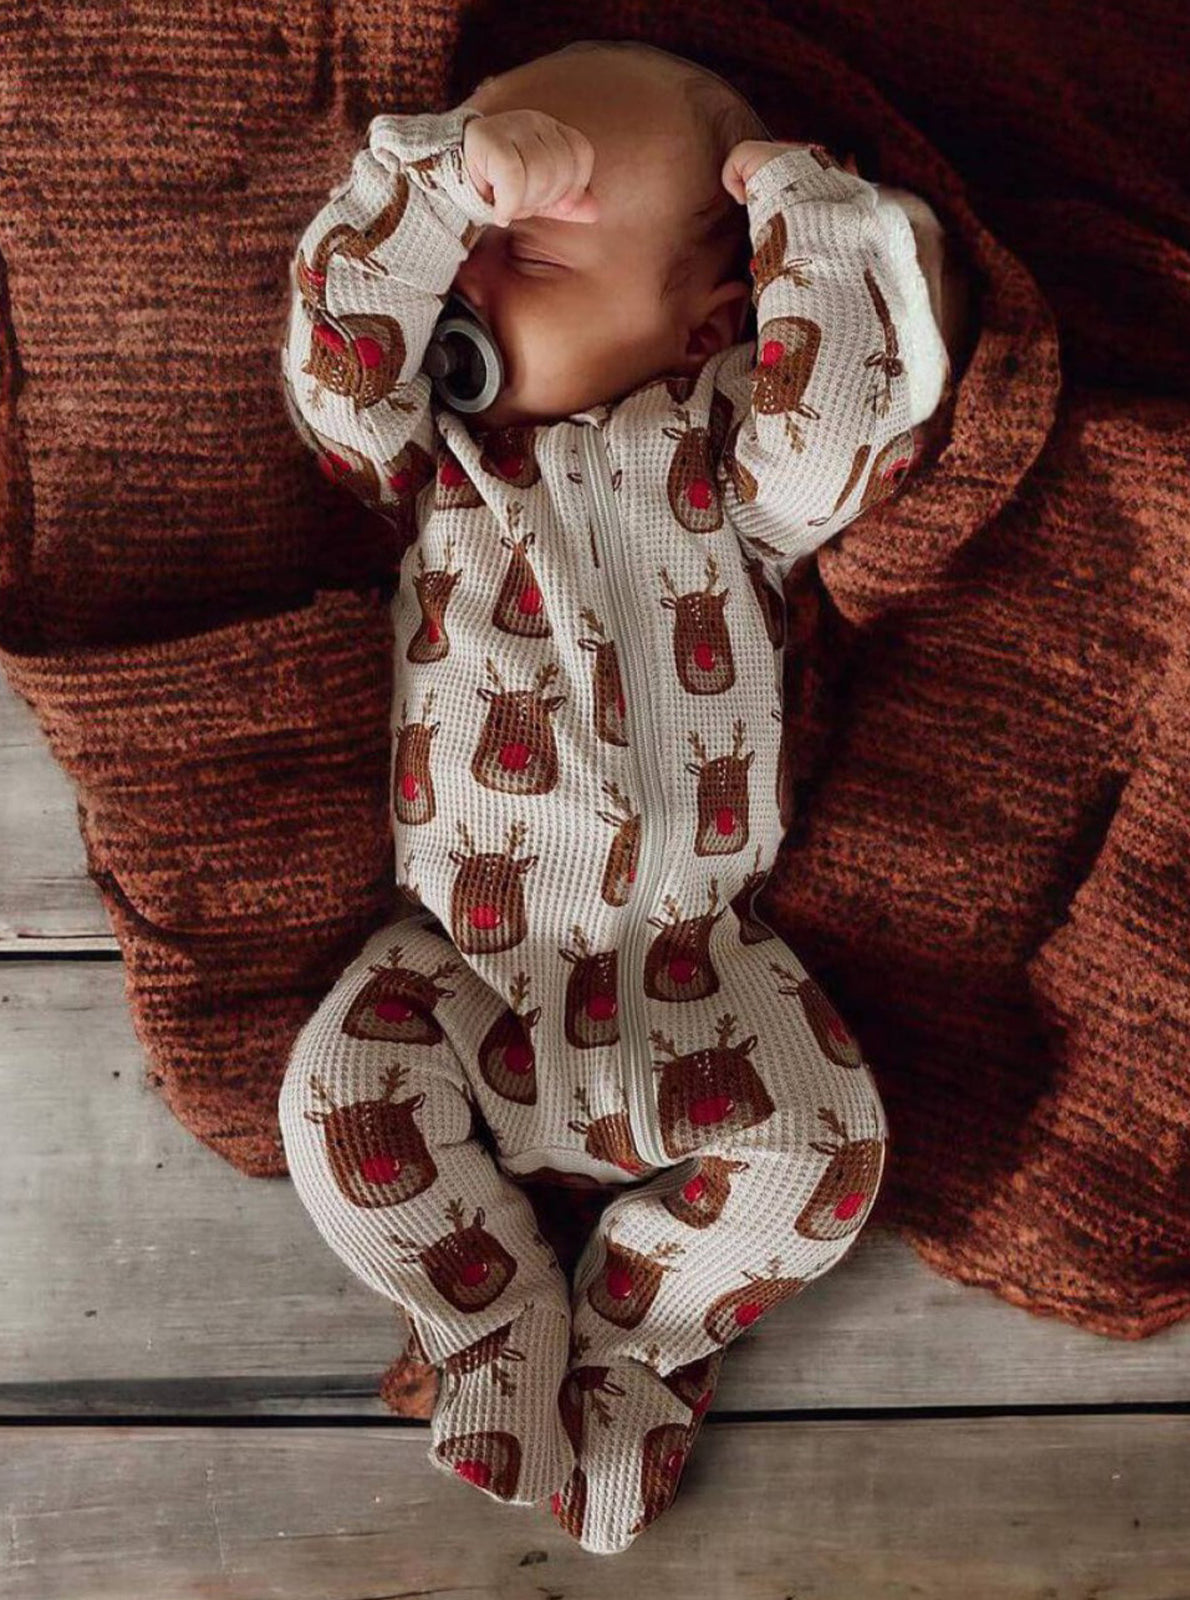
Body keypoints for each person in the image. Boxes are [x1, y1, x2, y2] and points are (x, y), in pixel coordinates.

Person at [277, 36, 964, 1554]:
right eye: (459, 254)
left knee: (820, 1161)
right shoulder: (431, 466)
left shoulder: (736, 474)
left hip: (699, 970)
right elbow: (342, 336)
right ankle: (490, 1335)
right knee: (336, 1104)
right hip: (451, 973)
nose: (466, 280)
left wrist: (812, 217)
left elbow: (859, 405)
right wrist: (426, 179)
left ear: (712, 319)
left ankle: (641, 1352)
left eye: (517, 250)